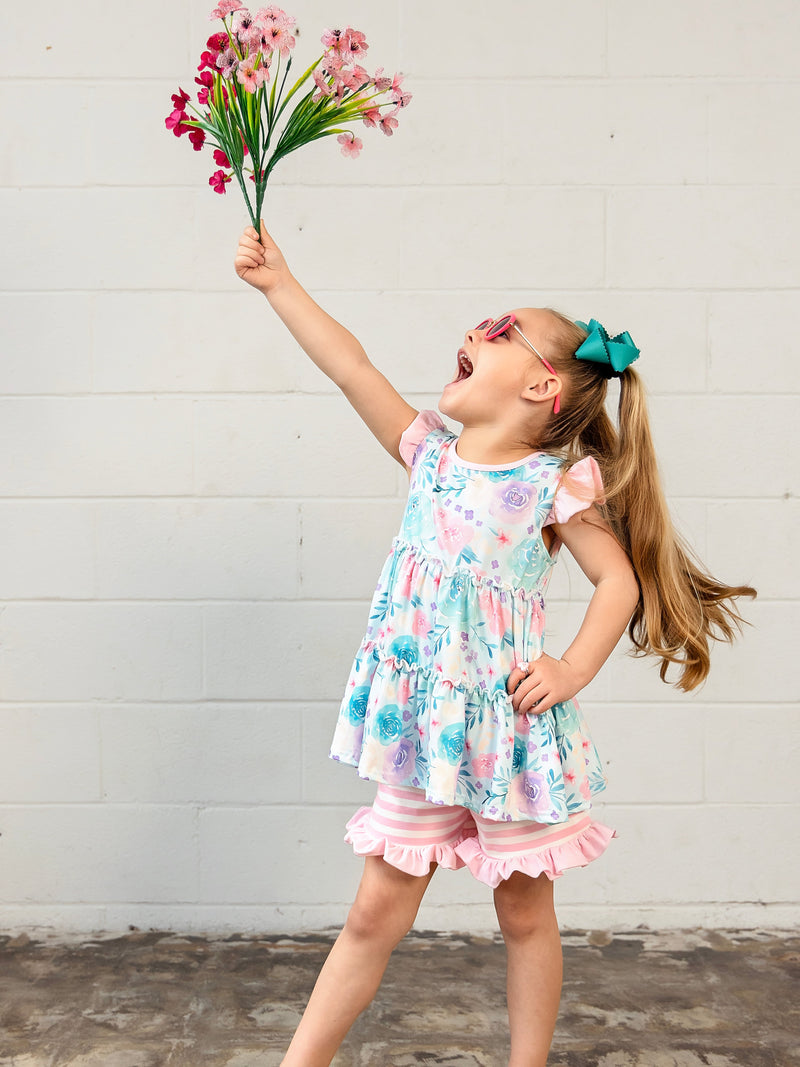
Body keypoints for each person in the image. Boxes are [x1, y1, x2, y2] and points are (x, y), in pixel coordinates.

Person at [234, 220, 756, 1067]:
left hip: (505, 730)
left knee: (523, 914)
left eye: (500, 330)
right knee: (374, 912)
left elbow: (618, 582)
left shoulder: (551, 483)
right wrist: (280, 283)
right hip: (421, 730)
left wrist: (570, 667)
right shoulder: (428, 454)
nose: (476, 331)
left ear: (543, 386)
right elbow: (350, 365)